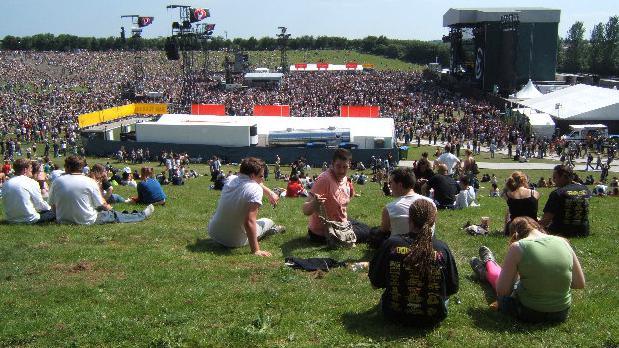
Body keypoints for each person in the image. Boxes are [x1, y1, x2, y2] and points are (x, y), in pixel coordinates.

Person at [470, 217, 585, 323]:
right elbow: (579, 283)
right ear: (538, 227)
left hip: (529, 312)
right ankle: (487, 266)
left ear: (514, 235)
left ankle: (486, 268)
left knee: (507, 291)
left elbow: (503, 291)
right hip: (561, 313)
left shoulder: (518, 247)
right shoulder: (563, 242)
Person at [369, 199, 459, 326]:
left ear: (409, 219)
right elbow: (452, 288)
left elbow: (375, 281)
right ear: (433, 221)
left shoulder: (391, 244)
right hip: (432, 317)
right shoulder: (442, 248)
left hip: (394, 315)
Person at [208, 157, 284, 257]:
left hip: (214, 233)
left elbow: (253, 182)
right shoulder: (255, 189)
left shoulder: (230, 179)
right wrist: (256, 250)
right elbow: (249, 222)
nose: (263, 179)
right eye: (261, 176)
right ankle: (271, 230)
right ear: (252, 176)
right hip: (233, 241)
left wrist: (270, 193)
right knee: (268, 221)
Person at [49, 156, 154, 225]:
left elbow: (53, 207)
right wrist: (111, 210)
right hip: (86, 220)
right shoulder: (90, 182)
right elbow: (101, 205)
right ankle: (141, 215)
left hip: (62, 220)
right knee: (114, 215)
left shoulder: (56, 182)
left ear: (67, 168)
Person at [303, 149, 369, 243]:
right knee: (368, 233)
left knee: (366, 228)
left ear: (349, 165)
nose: (341, 171)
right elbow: (305, 210)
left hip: (340, 222)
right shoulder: (325, 180)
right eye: (338, 166)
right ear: (332, 164)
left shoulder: (345, 179)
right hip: (326, 232)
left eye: (345, 167)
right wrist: (314, 203)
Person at [377, 167, 435, 241]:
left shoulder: (390, 208)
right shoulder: (431, 203)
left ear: (400, 185)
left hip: (398, 245)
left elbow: (384, 230)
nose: (389, 185)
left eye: (390, 182)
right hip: (427, 243)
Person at [540, 165, 591, 237]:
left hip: (562, 232)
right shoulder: (585, 189)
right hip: (583, 231)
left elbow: (545, 221)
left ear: (563, 176)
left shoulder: (557, 193)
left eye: (555, 177)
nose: (553, 180)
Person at [3, 159, 55, 223]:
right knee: (53, 212)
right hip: (28, 219)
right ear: (25, 170)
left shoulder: (6, 183)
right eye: (30, 168)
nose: (31, 170)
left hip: (10, 219)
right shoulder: (31, 182)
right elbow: (39, 204)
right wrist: (50, 208)